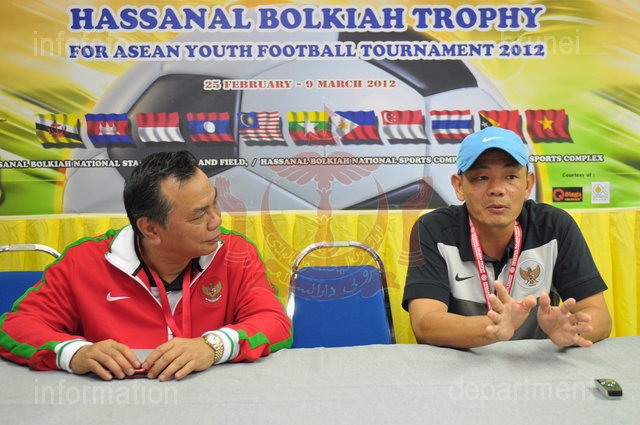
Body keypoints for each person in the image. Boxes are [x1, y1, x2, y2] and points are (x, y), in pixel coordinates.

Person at [0, 150, 292, 380]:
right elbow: (14, 328)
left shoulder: (236, 253)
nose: (217, 220)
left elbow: (276, 323)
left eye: (215, 203)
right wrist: (75, 353)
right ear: (151, 229)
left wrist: (212, 346)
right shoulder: (83, 262)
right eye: (198, 215)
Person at [402, 126, 612, 349]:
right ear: (459, 186)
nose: (497, 189)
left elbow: (599, 316)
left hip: (538, 363)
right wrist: (492, 328)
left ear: (528, 185)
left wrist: (572, 329)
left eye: (511, 177)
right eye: (481, 177)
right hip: (462, 364)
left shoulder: (555, 227)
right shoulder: (433, 230)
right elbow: (425, 324)